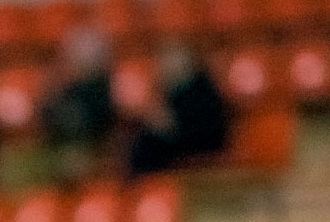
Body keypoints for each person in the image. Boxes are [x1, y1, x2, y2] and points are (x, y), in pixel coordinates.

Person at [127, 43, 233, 178]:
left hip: (199, 147)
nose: (163, 68)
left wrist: (163, 121)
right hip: (180, 145)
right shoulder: (175, 91)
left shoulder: (202, 91)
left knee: (148, 145)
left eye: (168, 62)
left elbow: (201, 130)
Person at [39, 26, 119, 185]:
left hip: (96, 155)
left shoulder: (103, 92)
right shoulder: (58, 92)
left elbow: (107, 130)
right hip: (59, 155)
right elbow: (48, 129)